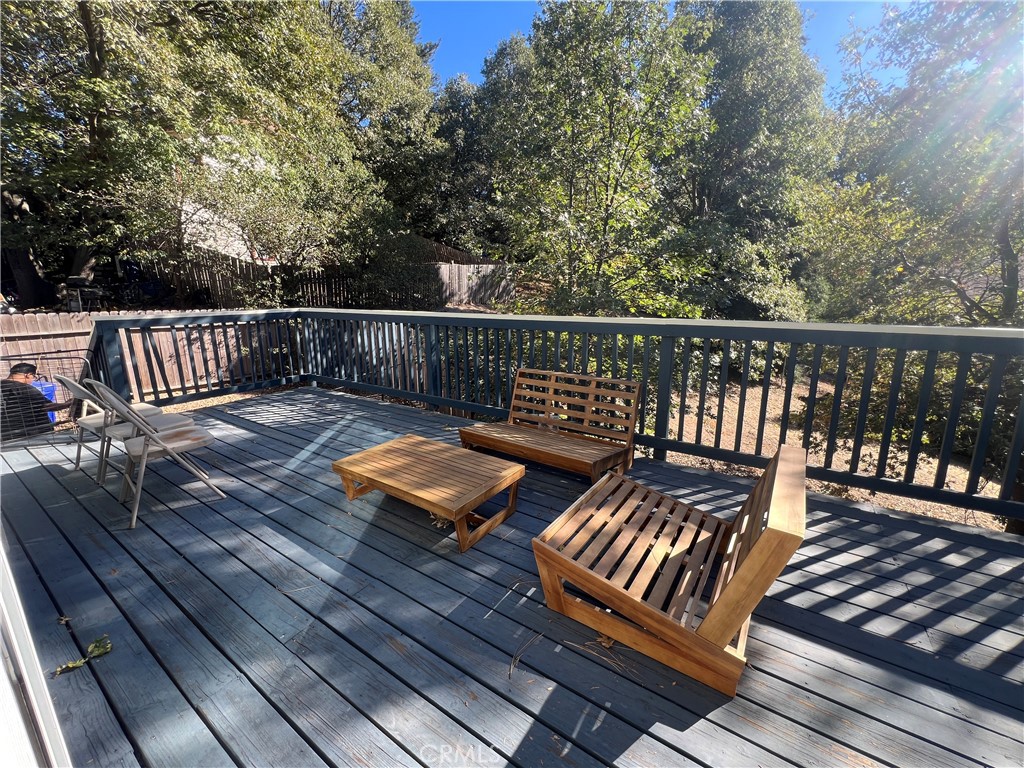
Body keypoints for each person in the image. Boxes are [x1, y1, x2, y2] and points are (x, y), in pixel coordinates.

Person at [1, 363, 72, 440]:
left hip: (6, 434)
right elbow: (47, 406)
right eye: (33, 377)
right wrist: (66, 404)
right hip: (32, 435)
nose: (32, 380)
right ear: (28, 375)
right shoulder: (26, 389)